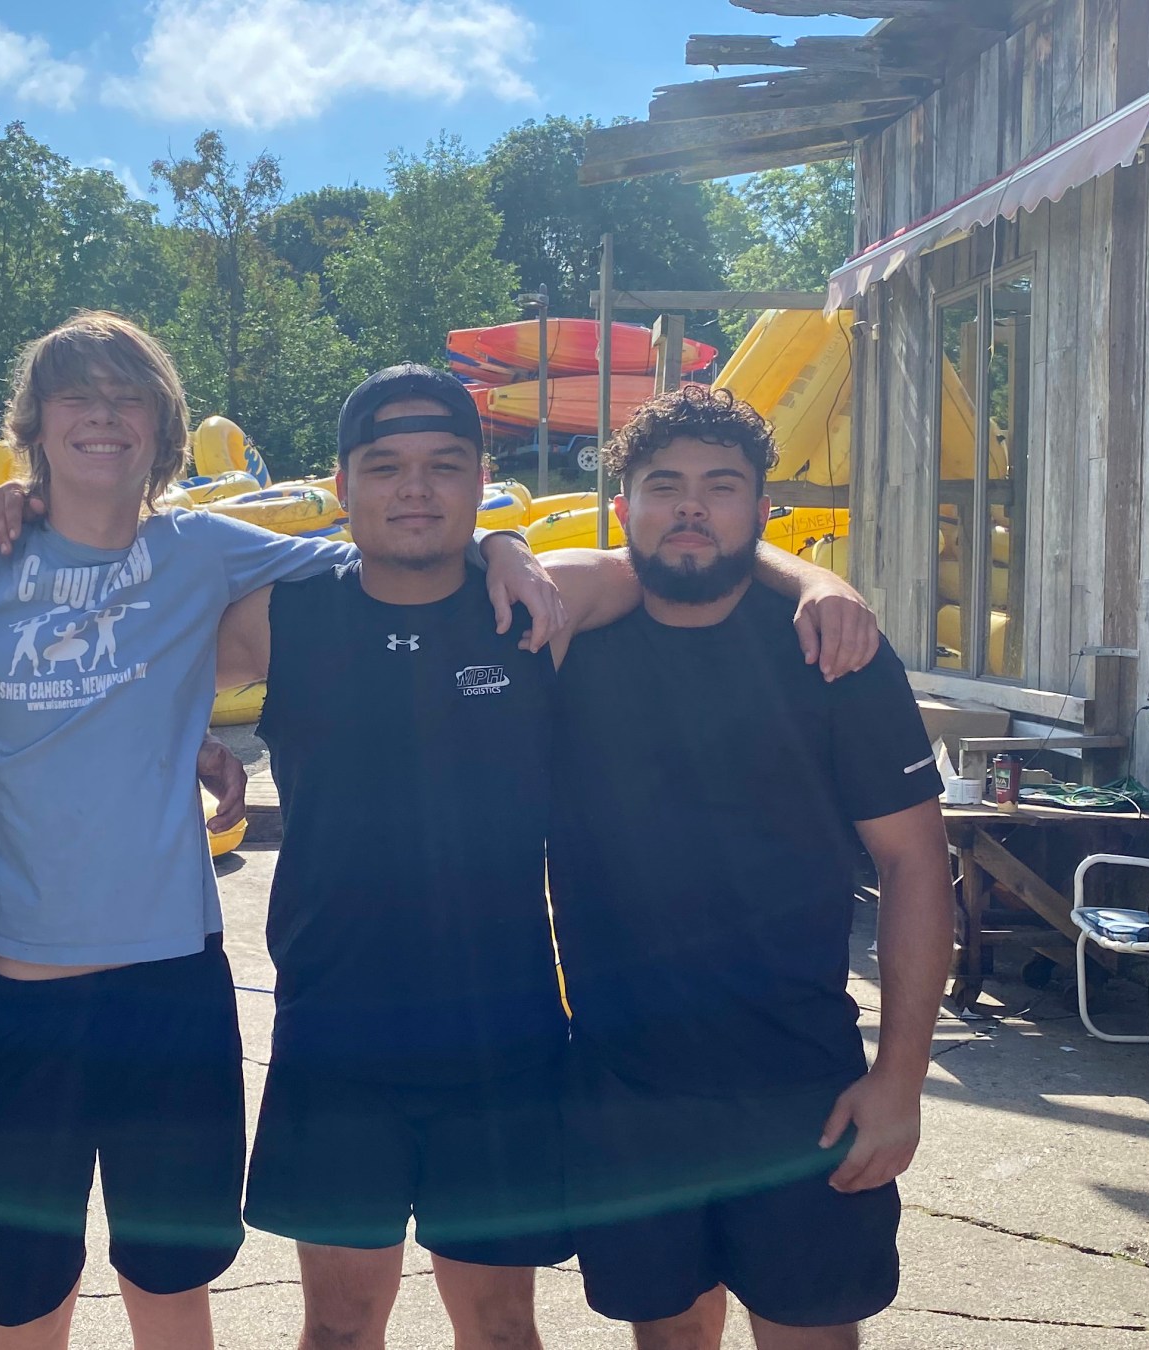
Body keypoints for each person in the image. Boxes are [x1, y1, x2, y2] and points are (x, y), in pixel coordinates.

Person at [0, 315, 565, 1350]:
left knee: (170, 1281)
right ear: (32, 427)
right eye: (77, 396)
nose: (103, 416)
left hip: (172, 983)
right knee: (28, 1295)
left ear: (164, 428)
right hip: (15, 989)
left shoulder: (204, 549)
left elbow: (393, 541)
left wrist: (503, 541)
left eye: (129, 398)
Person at [205, 366, 881, 1350]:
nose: (415, 488)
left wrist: (821, 577)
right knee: (341, 1326)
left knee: (500, 1326)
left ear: (482, 477)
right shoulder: (283, 617)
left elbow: (693, 554)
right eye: (385, 467)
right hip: (335, 1031)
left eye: (444, 466)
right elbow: (144, 650)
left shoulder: (544, 602)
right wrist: (187, 732)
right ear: (342, 484)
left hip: (502, 1036)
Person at [547, 386, 954, 1350]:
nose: (691, 508)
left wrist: (902, 1081)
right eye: (665, 486)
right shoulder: (564, 645)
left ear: (761, 512)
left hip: (798, 1079)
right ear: (624, 512)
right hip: (622, 1079)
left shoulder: (835, 653)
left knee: (808, 1332)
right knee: (670, 1335)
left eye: (721, 488)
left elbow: (915, 868)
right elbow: (491, 574)